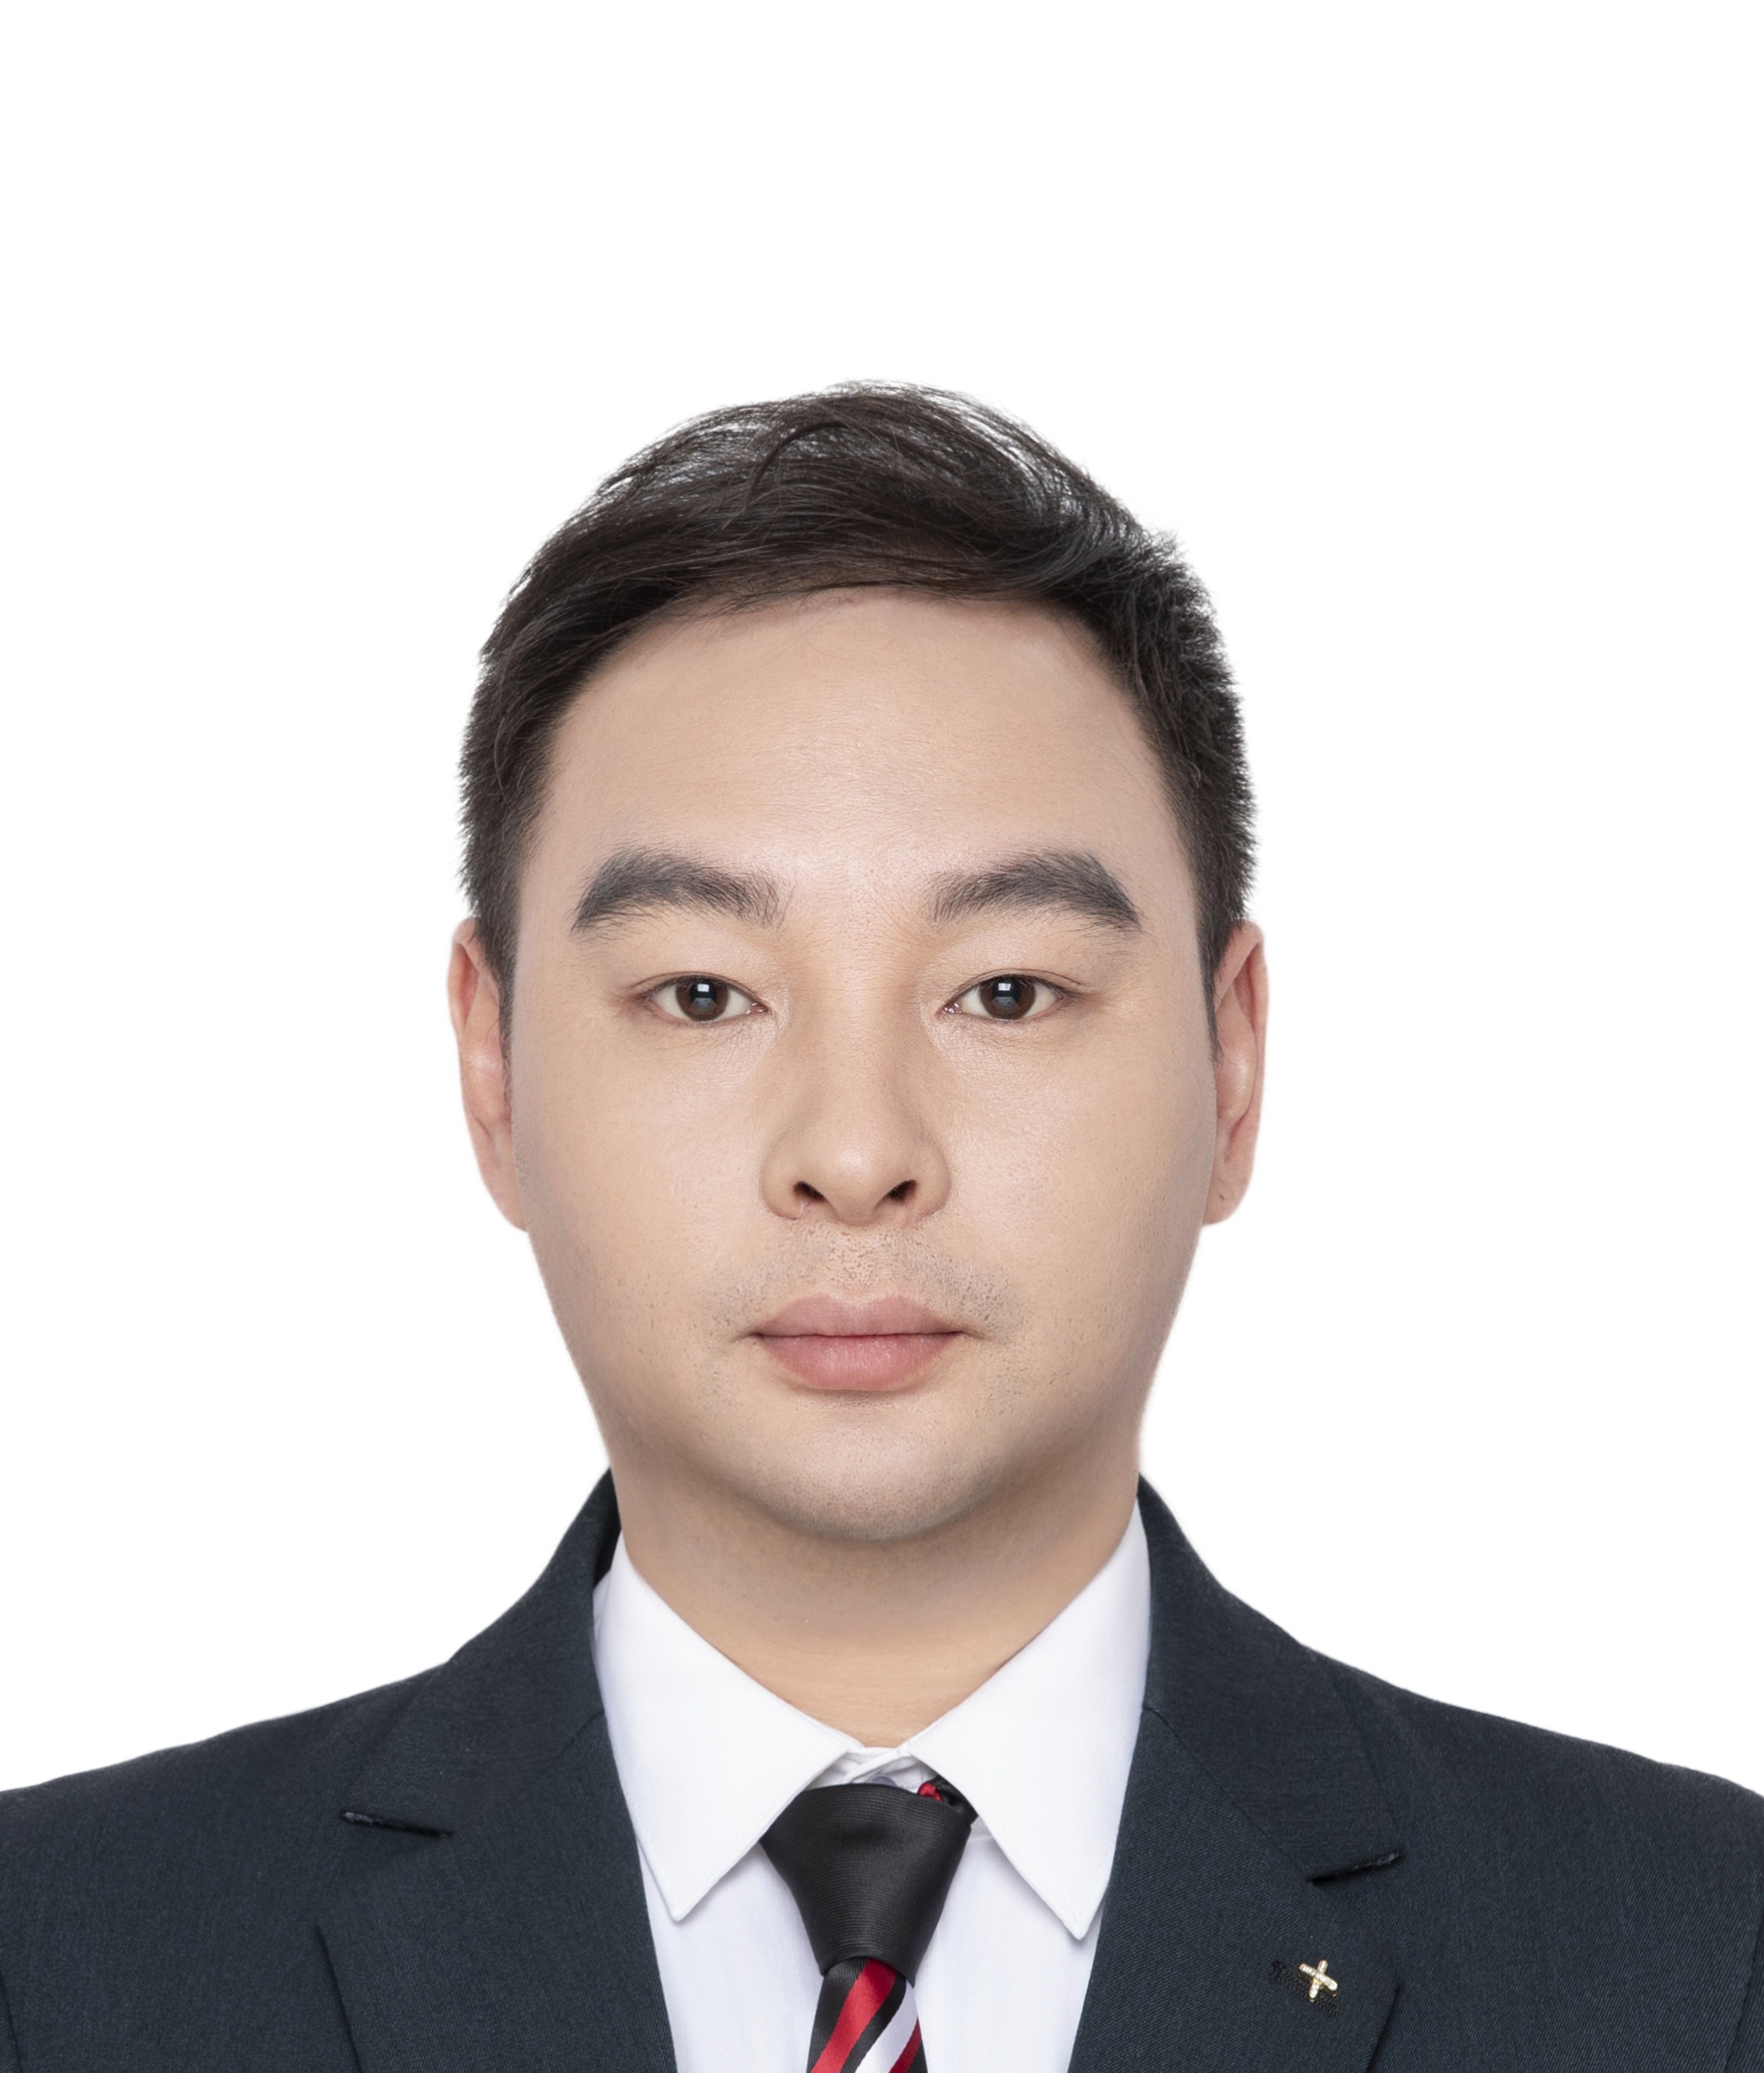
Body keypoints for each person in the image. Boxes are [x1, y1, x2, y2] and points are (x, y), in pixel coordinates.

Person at [1, 385, 1758, 2073]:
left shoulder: (1697, 1953)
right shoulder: (61, 1962)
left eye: (1006, 991)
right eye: (703, 993)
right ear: (494, 1067)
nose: (855, 1155)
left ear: (1229, 1065)